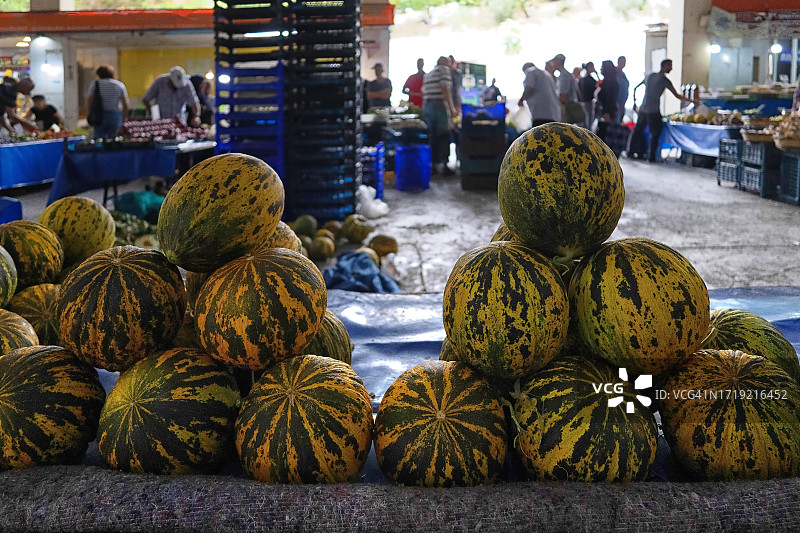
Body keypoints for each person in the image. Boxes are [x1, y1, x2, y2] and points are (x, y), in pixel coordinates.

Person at [630, 59, 692, 162]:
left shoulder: (650, 76)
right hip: (653, 110)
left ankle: (632, 152)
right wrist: (692, 100)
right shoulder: (663, 80)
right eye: (670, 66)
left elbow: (635, 88)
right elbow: (677, 95)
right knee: (655, 133)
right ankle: (651, 157)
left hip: (643, 109)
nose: (671, 68)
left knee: (638, 131)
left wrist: (634, 102)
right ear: (664, 66)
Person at [422, 56, 457, 176]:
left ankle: (433, 165)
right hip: (438, 106)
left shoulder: (429, 74)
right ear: (445, 63)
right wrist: (452, 109)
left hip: (427, 105)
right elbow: (445, 89)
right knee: (444, 135)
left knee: (432, 137)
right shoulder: (444, 70)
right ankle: (444, 165)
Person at [86, 65, 129, 139]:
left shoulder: (95, 84)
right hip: (114, 115)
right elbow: (125, 105)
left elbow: (90, 100)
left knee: (98, 139)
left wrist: (89, 113)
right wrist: (123, 119)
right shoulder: (119, 85)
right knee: (113, 139)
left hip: (99, 115)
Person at [518, 61, 560, 127]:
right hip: (554, 114)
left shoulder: (531, 71)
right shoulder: (547, 75)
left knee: (540, 132)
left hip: (540, 114)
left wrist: (521, 100)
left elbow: (529, 89)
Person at [552, 53, 582, 125]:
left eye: (554, 61)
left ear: (559, 61)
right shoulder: (564, 75)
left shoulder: (564, 76)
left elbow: (563, 96)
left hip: (566, 108)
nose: (553, 63)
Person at [595, 60, 620, 142]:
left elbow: (611, 99)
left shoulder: (612, 83)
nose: (600, 69)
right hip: (603, 112)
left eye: (602, 67)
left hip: (607, 113)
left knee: (605, 136)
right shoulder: (606, 82)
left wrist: (607, 112)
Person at [577, 62, 599, 129]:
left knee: (584, 122)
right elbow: (598, 85)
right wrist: (596, 74)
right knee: (588, 122)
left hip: (581, 102)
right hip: (588, 102)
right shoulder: (589, 79)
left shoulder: (581, 78)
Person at [616, 55, 629, 123]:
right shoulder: (615, 72)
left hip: (622, 102)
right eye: (622, 61)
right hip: (617, 102)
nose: (624, 63)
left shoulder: (623, 73)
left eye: (624, 62)